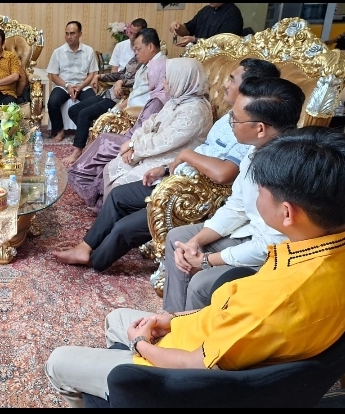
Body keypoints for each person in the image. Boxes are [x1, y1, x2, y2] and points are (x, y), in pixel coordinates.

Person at [45, 125, 345, 408]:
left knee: (59, 362)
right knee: (116, 319)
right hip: (213, 337)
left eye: (260, 191)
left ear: (287, 213)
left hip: (183, 374)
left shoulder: (278, 297)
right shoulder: (318, 256)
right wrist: (174, 318)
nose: (254, 197)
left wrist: (141, 345)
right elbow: (232, 316)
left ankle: (126, 393)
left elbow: (196, 365)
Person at [53, 58, 280, 272]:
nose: (224, 84)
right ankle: (84, 247)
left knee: (125, 226)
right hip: (178, 177)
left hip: (192, 194)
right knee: (118, 196)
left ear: (251, 88)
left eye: (231, 79)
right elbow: (196, 147)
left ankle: (96, 260)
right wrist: (165, 168)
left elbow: (223, 173)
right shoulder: (228, 117)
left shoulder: (248, 128)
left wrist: (186, 156)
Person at [162, 77, 305, 312]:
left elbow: (269, 246)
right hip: (250, 233)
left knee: (201, 283)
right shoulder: (254, 151)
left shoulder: (286, 171)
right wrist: (196, 241)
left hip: (275, 256)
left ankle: (190, 330)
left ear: (260, 128)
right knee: (180, 238)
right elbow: (236, 206)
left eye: (235, 119)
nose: (231, 124)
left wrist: (206, 261)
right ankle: (173, 318)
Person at [71, 57, 213, 212]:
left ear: (182, 80)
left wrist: (134, 146)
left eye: (168, 77)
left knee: (121, 181)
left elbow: (165, 140)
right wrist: (133, 143)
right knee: (114, 166)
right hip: (154, 151)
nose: (164, 81)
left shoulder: (195, 110)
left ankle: (113, 216)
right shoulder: (176, 100)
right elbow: (150, 123)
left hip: (171, 158)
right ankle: (106, 212)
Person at [63, 27, 164, 166]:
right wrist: (118, 106)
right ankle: (86, 144)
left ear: (150, 47)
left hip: (133, 110)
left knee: (90, 118)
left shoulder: (159, 67)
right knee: (77, 111)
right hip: (120, 100)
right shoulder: (143, 64)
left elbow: (155, 102)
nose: (135, 52)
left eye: (138, 49)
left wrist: (120, 89)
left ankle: (83, 152)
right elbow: (135, 90)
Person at [45, 21, 99, 142]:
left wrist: (81, 86)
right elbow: (53, 76)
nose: (69, 36)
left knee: (94, 102)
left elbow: (91, 74)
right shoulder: (58, 52)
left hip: (83, 85)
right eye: (67, 33)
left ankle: (88, 130)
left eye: (72, 33)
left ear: (80, 34)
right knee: (52, 102)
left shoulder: (89, 51)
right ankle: (59, 131)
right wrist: (67, 86)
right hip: (63, 85)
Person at [170, 3, 244, 47]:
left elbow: (223, 43)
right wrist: (178, 27)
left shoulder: (233, 13)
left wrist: (195, 40)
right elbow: (188, 30)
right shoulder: (206, 10)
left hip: (217, 60)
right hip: (197, 56)